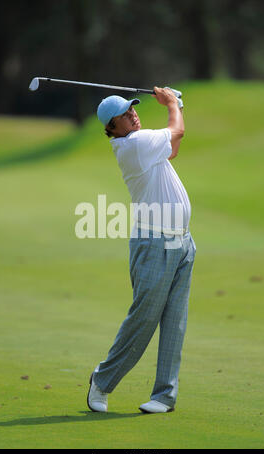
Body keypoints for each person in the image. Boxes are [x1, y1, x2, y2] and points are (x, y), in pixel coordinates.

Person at [87, 87, 196, 413]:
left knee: (175, 321)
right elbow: (178, 131)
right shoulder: (133, 145)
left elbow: (173, 147)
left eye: (132, 109)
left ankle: (164, 395)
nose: (132, 114)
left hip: (183, 244)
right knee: (144, 319)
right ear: (112, 128)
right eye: (123, 115)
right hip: (155, 245)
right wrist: (173, 104)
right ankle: (101, 381)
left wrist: (174, 108)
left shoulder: (143, 142)